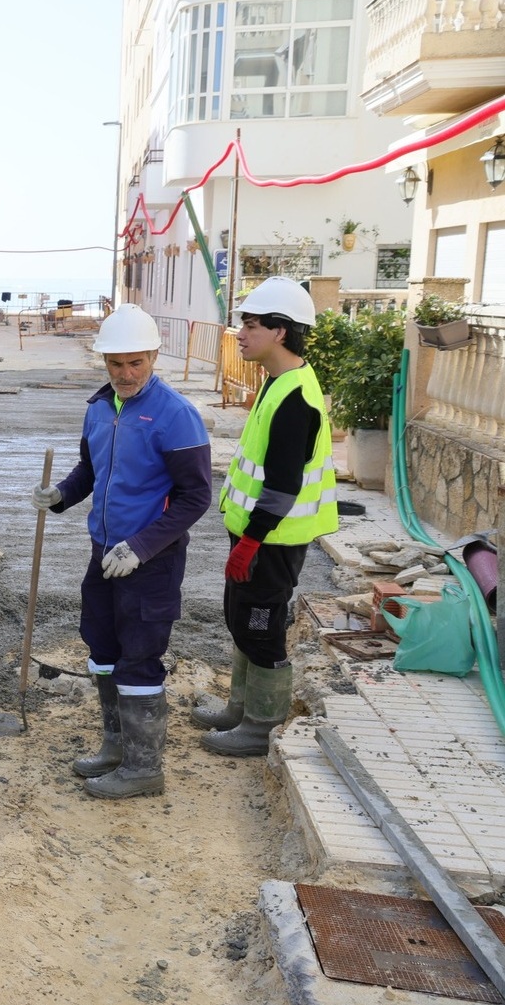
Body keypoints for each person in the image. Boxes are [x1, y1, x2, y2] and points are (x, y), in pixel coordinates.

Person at [33, 305, 210, 799]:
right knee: (103, 649)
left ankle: (143, 767)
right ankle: (116, 745)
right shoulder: (97, 408)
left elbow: (196, 496)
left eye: (136, 363)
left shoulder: (176, 416)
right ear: (104, 362)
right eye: (116, 364)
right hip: (104, 553)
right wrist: (62, 496)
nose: (126, 374)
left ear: (154, 355)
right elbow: (90, 472)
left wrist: (144, 545)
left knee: (140, 656)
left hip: (151, 561)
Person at [193, 277, 337, 757]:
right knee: (241, 620)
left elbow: (281, 486)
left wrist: (251, 542)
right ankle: (240, 707)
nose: (241, 334)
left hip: (273, 540)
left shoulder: (294, 399)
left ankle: (261, 726)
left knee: (261, 625)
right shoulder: (278, 383)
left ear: (281, 331)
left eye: (251, 325)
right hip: (257, 535)